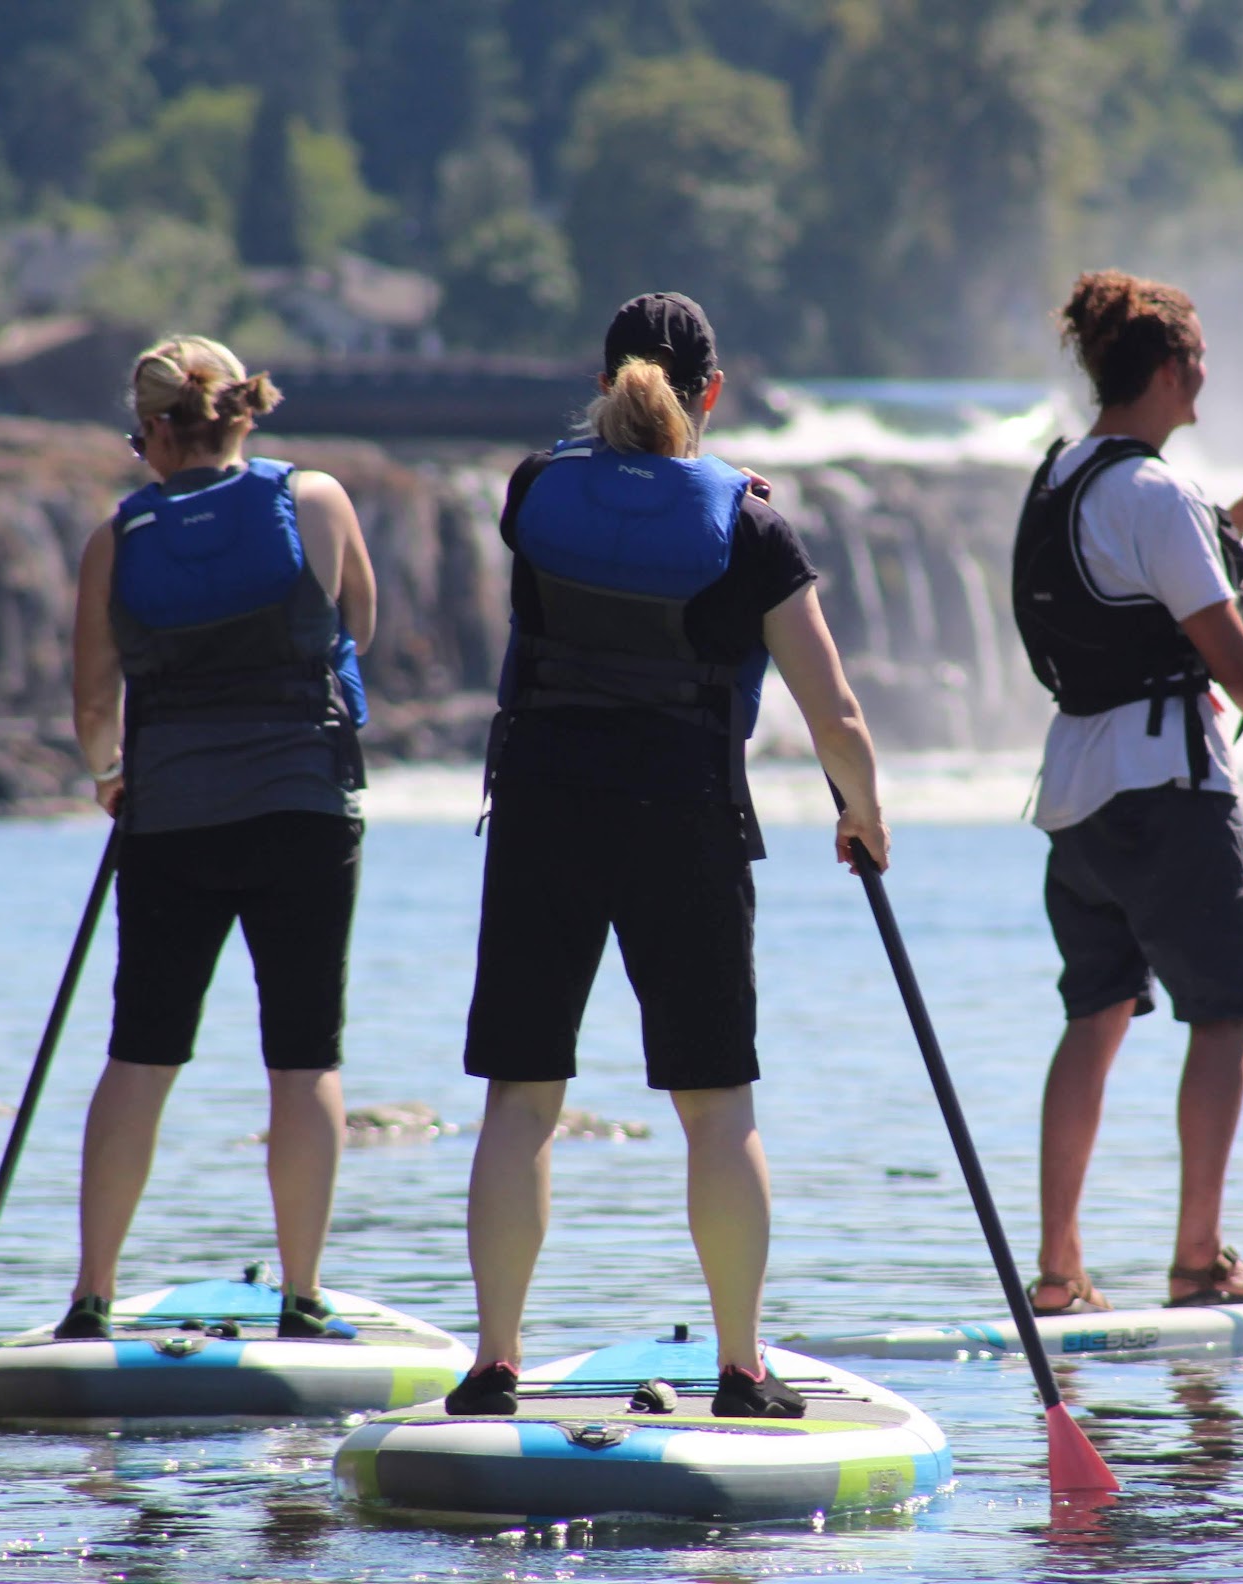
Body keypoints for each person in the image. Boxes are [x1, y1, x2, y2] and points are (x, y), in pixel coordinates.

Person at [445, 292, 885, 1419]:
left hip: (542, 808)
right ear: (713, 393)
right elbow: (834, 712)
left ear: (604, 383)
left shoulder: (532, 491)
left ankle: (494, 1364)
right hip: (684, 819)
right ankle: (741, 1369)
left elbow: (593, 537)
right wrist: (861, 813)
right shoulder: (751, 527)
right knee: (716, 1105)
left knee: (521, 1098)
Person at [1009, 270, 1243, 1316]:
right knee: (1222, 1016)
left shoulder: (1061, 474)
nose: (1208, 372)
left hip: (1076, 797)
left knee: (1094, 1017)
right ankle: (1199, 1262)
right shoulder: (1156, 492)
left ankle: (1059, 1275)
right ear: (1169, 369)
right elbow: (1232, 658)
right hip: (1168, 789)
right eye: (1200, 355)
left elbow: (1134, 584)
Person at [59, 334, 377, 1340]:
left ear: (156, 432)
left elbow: (92, 702)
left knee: (140, 1055)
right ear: (238, 412)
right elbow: (358, 626)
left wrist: (109, 775)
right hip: (304, 812)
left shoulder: (118, 538)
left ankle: (92, 1295)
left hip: (171, 821)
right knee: (303, 1060)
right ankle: (302, 1296)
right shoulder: (315, 500)